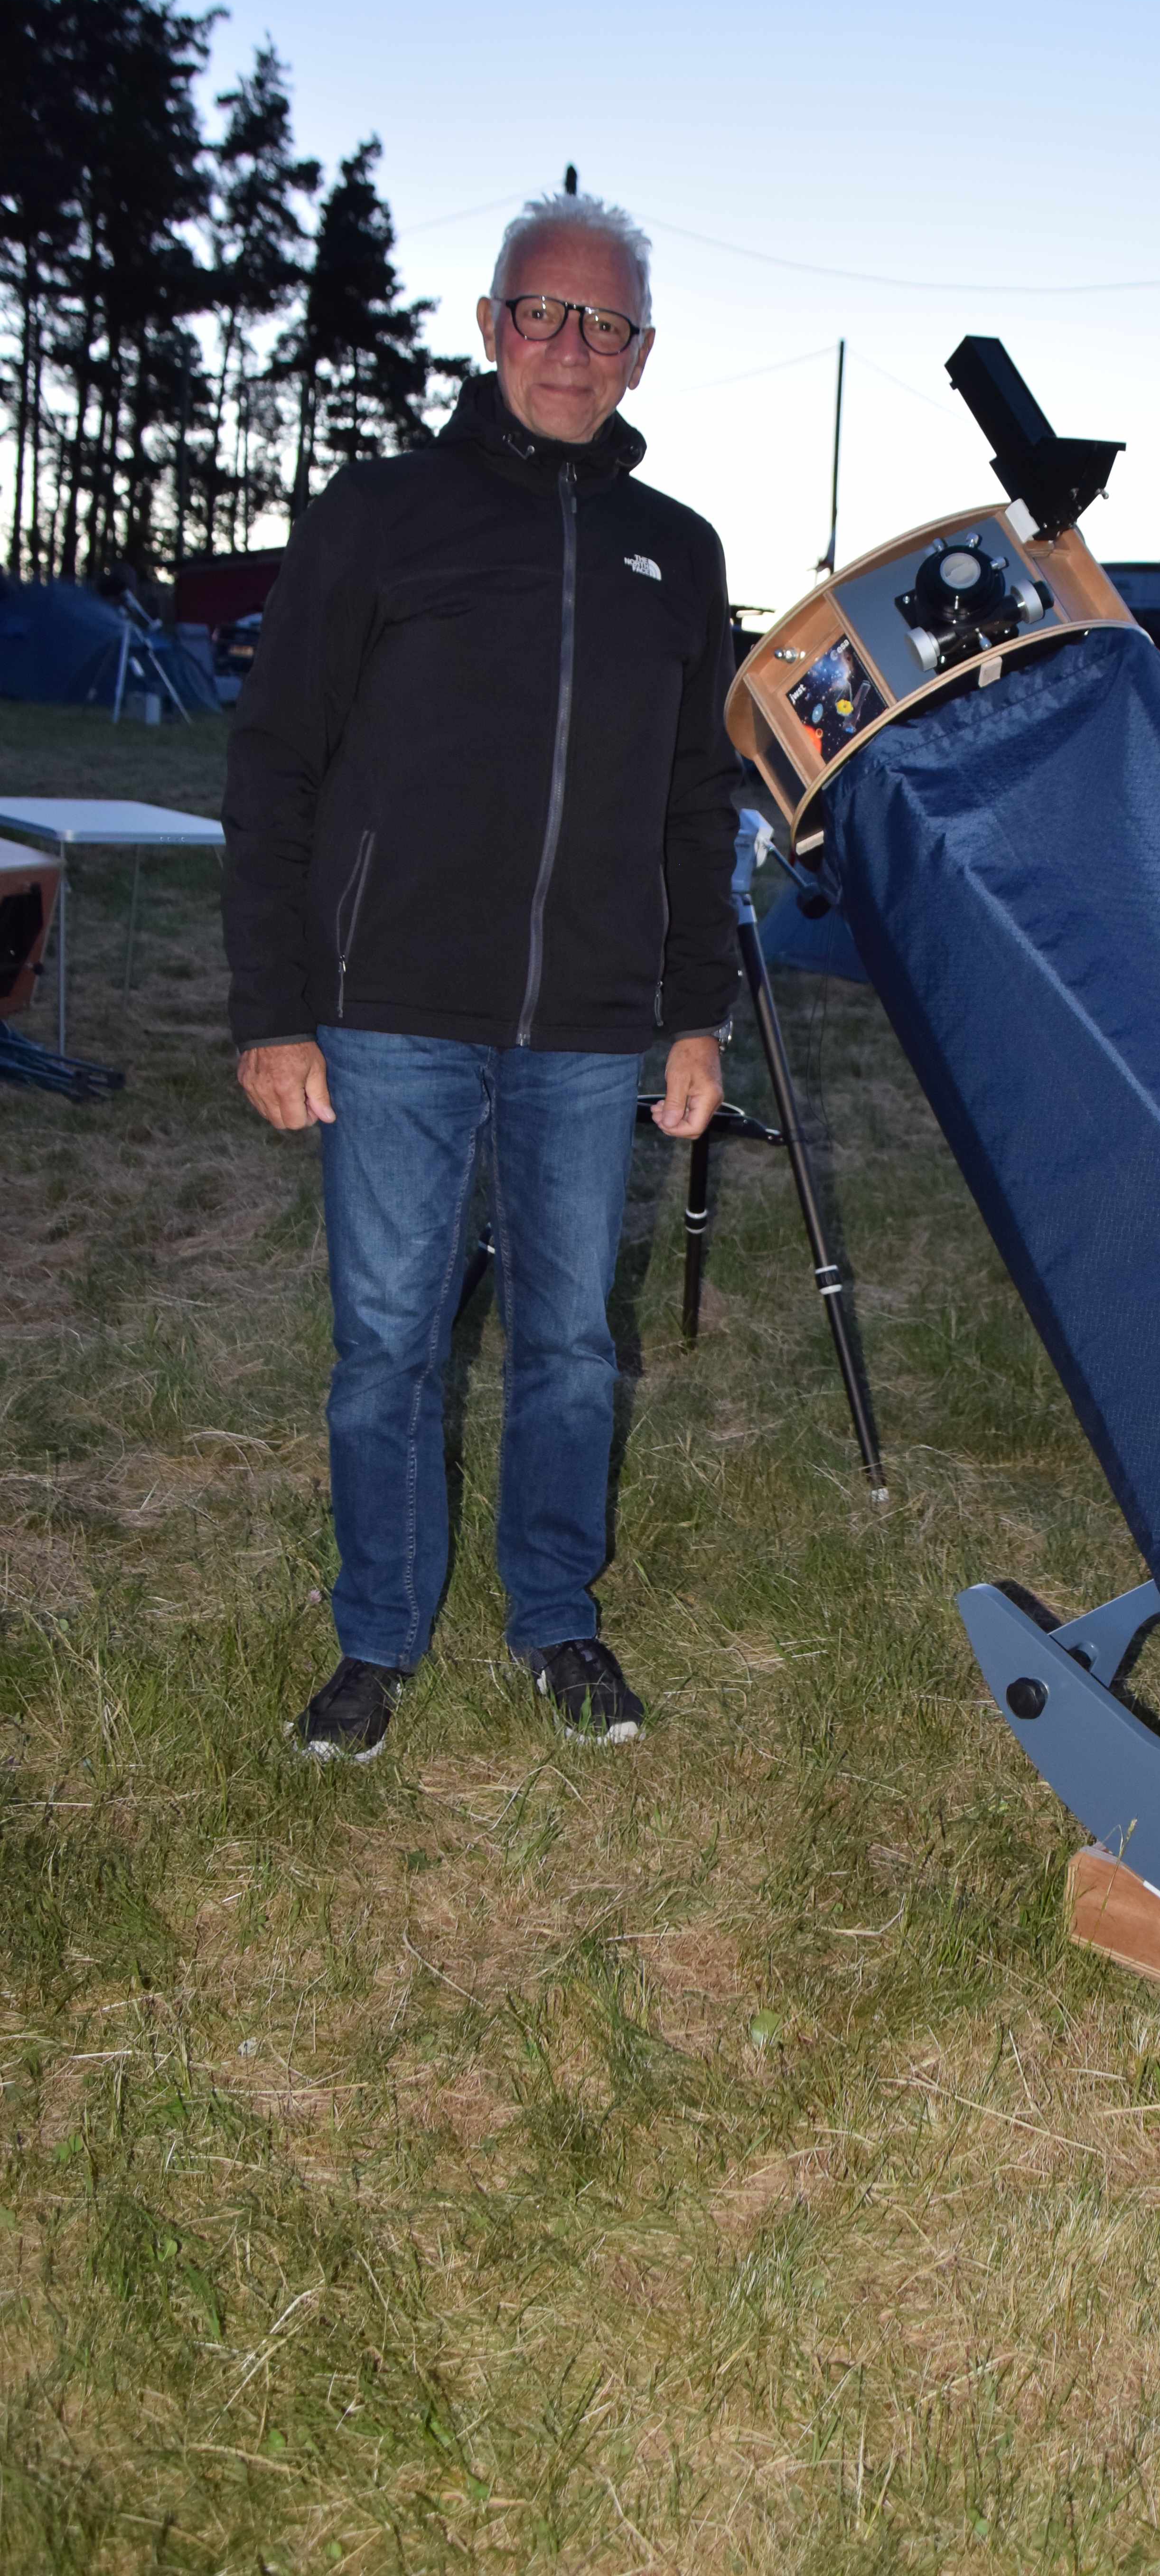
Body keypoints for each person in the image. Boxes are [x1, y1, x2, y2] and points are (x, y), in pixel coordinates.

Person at [223, 190, 739, 1762]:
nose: (569, 347)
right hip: (388, 1011)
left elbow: (695, 804)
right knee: (388, 1340)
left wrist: (696, 1014)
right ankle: (376, 1640)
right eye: (541, 312)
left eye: (604, 323)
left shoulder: (679, 553)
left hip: (587, 1026)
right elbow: (277, 759)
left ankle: (557, 1619)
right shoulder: (381, 514)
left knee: (571, 1343)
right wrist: (273, 1008)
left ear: (641, 352)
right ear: (490, 324)